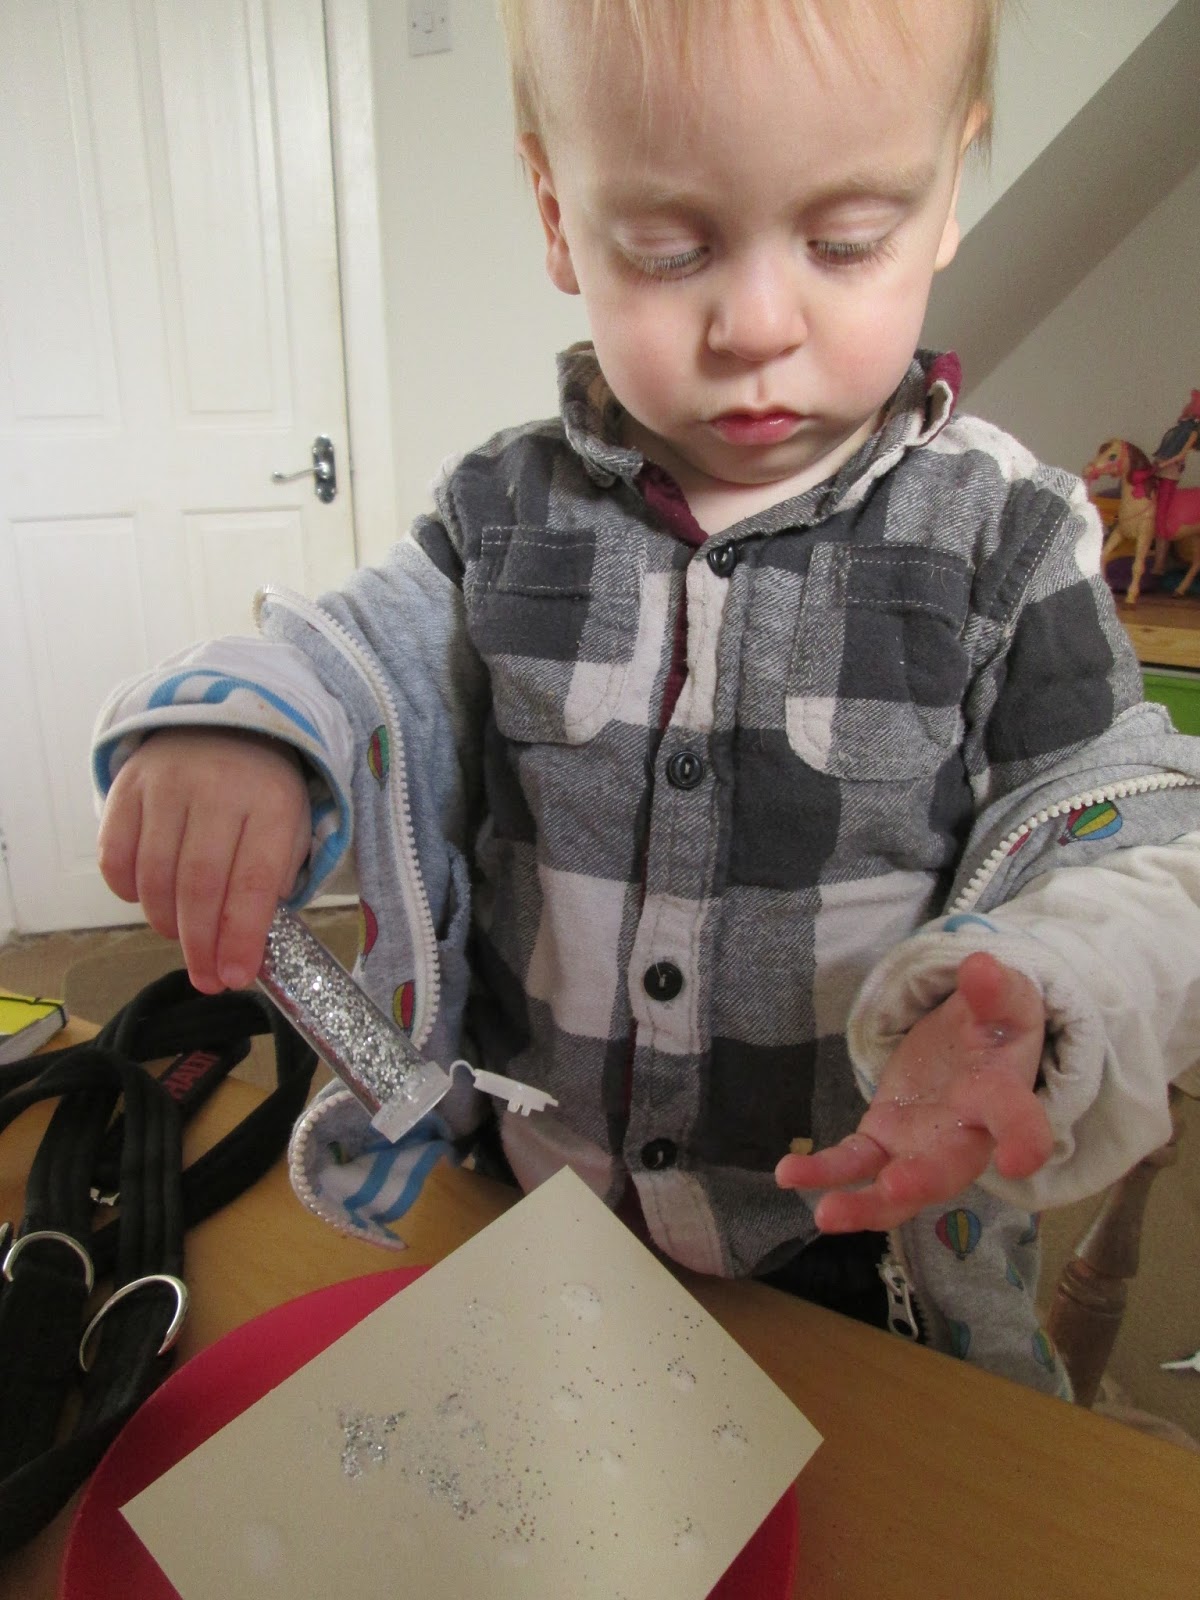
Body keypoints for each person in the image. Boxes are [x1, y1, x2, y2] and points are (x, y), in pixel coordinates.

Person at [92, 0, 1200, 1395]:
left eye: (846, 241)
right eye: (670, 250)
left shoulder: (1006, 540)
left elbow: (1134, 830)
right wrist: (237, 725)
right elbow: (350, 652)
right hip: (525, 1210)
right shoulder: (499, 513)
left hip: (855, 1267)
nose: (756, 325)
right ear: (560, 218)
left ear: (948, 193)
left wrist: (1048, 981)